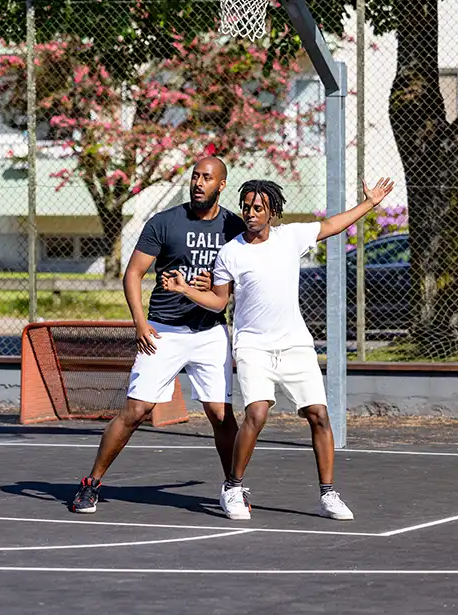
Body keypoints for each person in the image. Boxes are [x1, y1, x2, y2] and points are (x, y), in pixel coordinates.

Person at [163, 176, 395, 521]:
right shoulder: (231, 252)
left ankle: (328, 494)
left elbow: (333, 225)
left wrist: (370, 203)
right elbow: (217, 301)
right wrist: (185, 290)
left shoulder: (291, 238)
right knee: (256, 414)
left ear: (272, 212)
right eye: (246, 207)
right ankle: (233, 487)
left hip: (295, 344)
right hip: (253, 347)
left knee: (318, 414)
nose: (251, 213)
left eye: (259, 208)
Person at [70, 157, 248, 514]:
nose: (199, 183)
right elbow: (133, 273)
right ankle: (91, 484)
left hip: (210, 332)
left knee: (219, 413)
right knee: (136, 410)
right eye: (195, 176)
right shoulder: (165, 222)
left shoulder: (233, 226)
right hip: (163, 330)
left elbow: (244, 275)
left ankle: (234, 486)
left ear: (222, 185)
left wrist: (213, 287)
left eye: (207, 178)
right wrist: (139, 322)